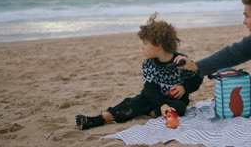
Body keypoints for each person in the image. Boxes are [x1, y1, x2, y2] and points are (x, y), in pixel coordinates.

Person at [75, 13, 203, 130]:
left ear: (159, 45)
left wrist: (184, 87)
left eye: (145, 44)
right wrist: (161, 105)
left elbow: (197, 78)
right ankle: (99, 119)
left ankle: (153, 112)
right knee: (132, 103)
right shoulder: (148, 64)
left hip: (175, 101)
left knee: (180, 108)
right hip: (153, 98)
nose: (142, 47)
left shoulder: (180, 61)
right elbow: (150, 90)